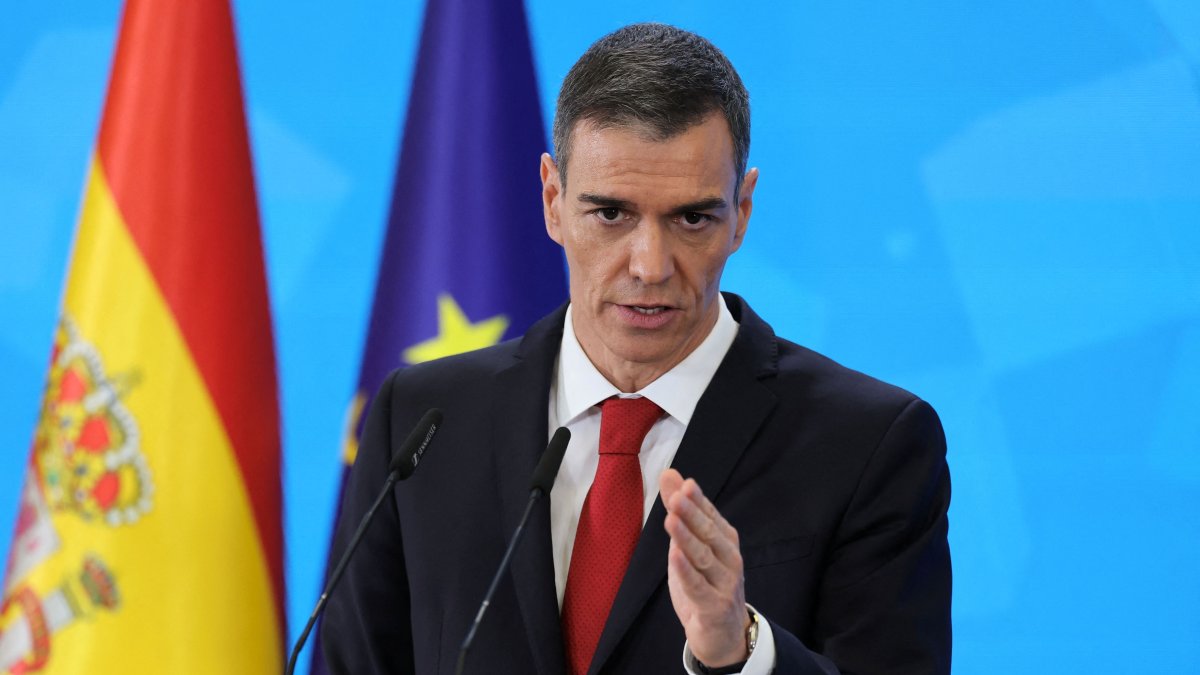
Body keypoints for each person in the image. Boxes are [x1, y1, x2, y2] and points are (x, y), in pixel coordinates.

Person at [320, 23, 950, 675]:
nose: (649, 265)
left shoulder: (869, 443)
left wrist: (742, 649)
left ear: (743, 210)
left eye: (692, 218)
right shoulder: (423, 423)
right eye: (612, 214)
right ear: (553, 200)